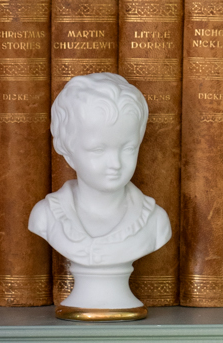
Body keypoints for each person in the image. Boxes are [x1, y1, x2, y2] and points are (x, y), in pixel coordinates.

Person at [29, 72, 171, 313]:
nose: (115, 163)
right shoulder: (46, 216)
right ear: (66, 149)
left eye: (128, 148)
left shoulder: (155, 222)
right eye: (97, 149)